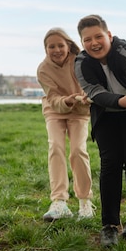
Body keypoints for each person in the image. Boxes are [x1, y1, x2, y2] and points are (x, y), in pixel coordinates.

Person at [75, 14, 126, 247]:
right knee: (110, 164)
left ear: (109, 36)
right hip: (106, 116)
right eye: (87, 39)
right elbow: (94, 92)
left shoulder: (123, 51)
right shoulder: (81, 62)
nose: (94, 43)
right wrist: (121, 101)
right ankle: (109, 225)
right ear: (82, 43)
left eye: (98, 36)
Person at [37, 27, 94, 222]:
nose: (56, 50)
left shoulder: (80, 61)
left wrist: (87, 96)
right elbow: (52, 98)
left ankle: (85, 202)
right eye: (51, 46)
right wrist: (67, 100)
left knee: (78, 150)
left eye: (60, 45)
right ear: (45, 49)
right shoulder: (43, 69)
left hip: (79, 111)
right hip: (55, 110)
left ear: (68, 46)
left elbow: (90, 84)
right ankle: (59, 202)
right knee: (56, 147)